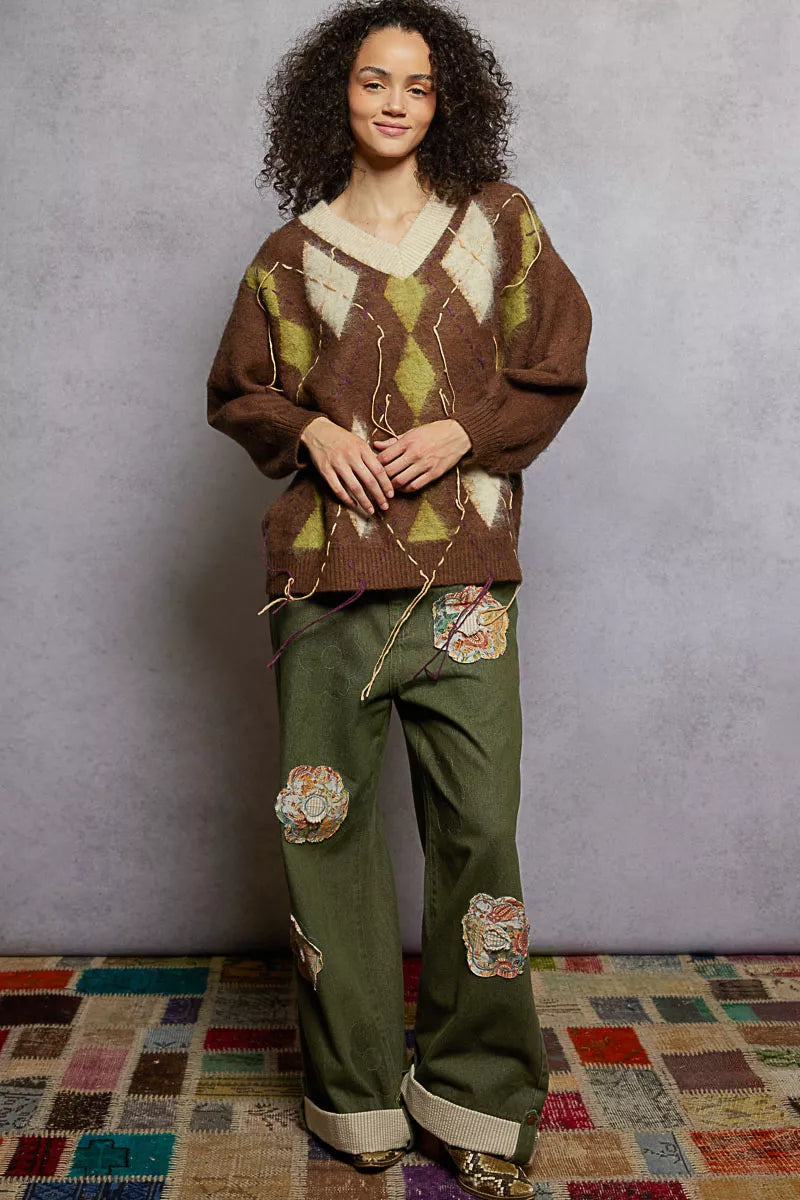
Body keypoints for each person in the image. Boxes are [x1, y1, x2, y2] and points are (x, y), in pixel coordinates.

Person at [206, 1, 592, 1195]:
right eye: (373, 80)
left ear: (445, 101)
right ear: (337, 93)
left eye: (416, 85)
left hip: (465, 583)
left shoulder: (499, 224)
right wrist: (312, 428)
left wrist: (463, 432)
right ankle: (358, 1096)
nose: (392, 102)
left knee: (478, 832)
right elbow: (238, 392)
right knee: (323, 833)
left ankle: (476, 1098)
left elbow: (555, 360)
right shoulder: (288, 253)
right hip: (323, 588)